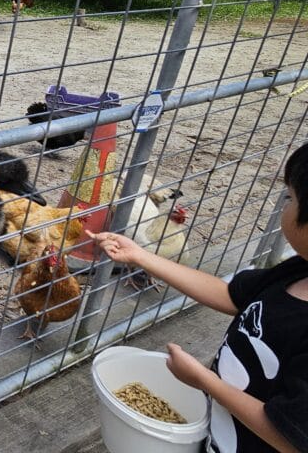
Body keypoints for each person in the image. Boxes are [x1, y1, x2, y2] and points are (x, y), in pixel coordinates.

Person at [88, 142, 308, 453]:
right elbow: (229, 294)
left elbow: (290, 438)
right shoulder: (296, 271)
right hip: (222, 434)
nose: (283, 205)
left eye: (290, 197)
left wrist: (204, 381)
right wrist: (140, 256)